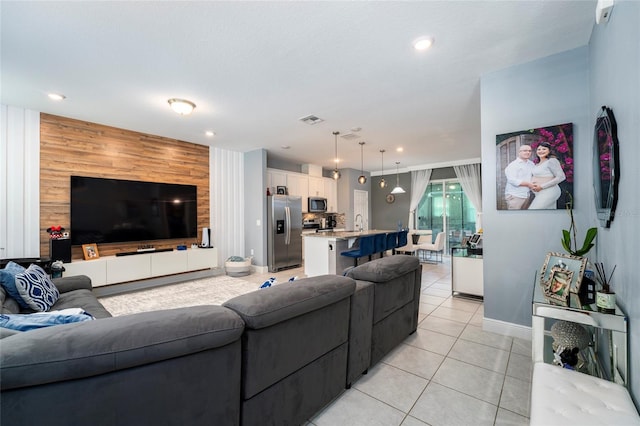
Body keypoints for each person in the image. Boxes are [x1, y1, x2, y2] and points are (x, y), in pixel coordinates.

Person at [529, 142, 566, 209]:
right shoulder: (537, 164)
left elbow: (561, 177)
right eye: (539, 149)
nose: (541, 151)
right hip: (538, 193)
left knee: (533, 210)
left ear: (549, 151)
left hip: (549, 191)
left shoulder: (552, 161)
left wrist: (541, 186)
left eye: (544, 149)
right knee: (548, 214)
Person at [504, 144, 535, 209]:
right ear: (519, 152)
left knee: (524, 217)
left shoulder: (531, 164)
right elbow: (512, 180)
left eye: (529, 151)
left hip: (527, 195)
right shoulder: (513, 165)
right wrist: (528, 184)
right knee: (514, 218)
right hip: (515, 195)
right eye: (525, 151)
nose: (528, 152)